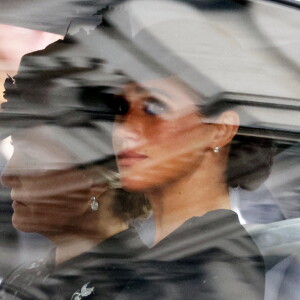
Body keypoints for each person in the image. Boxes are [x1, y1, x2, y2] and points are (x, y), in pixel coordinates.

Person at [0, 41, 150, 300]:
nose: (7, 177)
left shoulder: (140, 289)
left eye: (33, 157)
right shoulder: (25, 278)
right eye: (15, 149)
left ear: (98, 178)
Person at [110, 77, 269, 300]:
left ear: (221, 130)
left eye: (155, 107)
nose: (122, 130)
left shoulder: (218, 269)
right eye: (121, 108)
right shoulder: (120, 252)